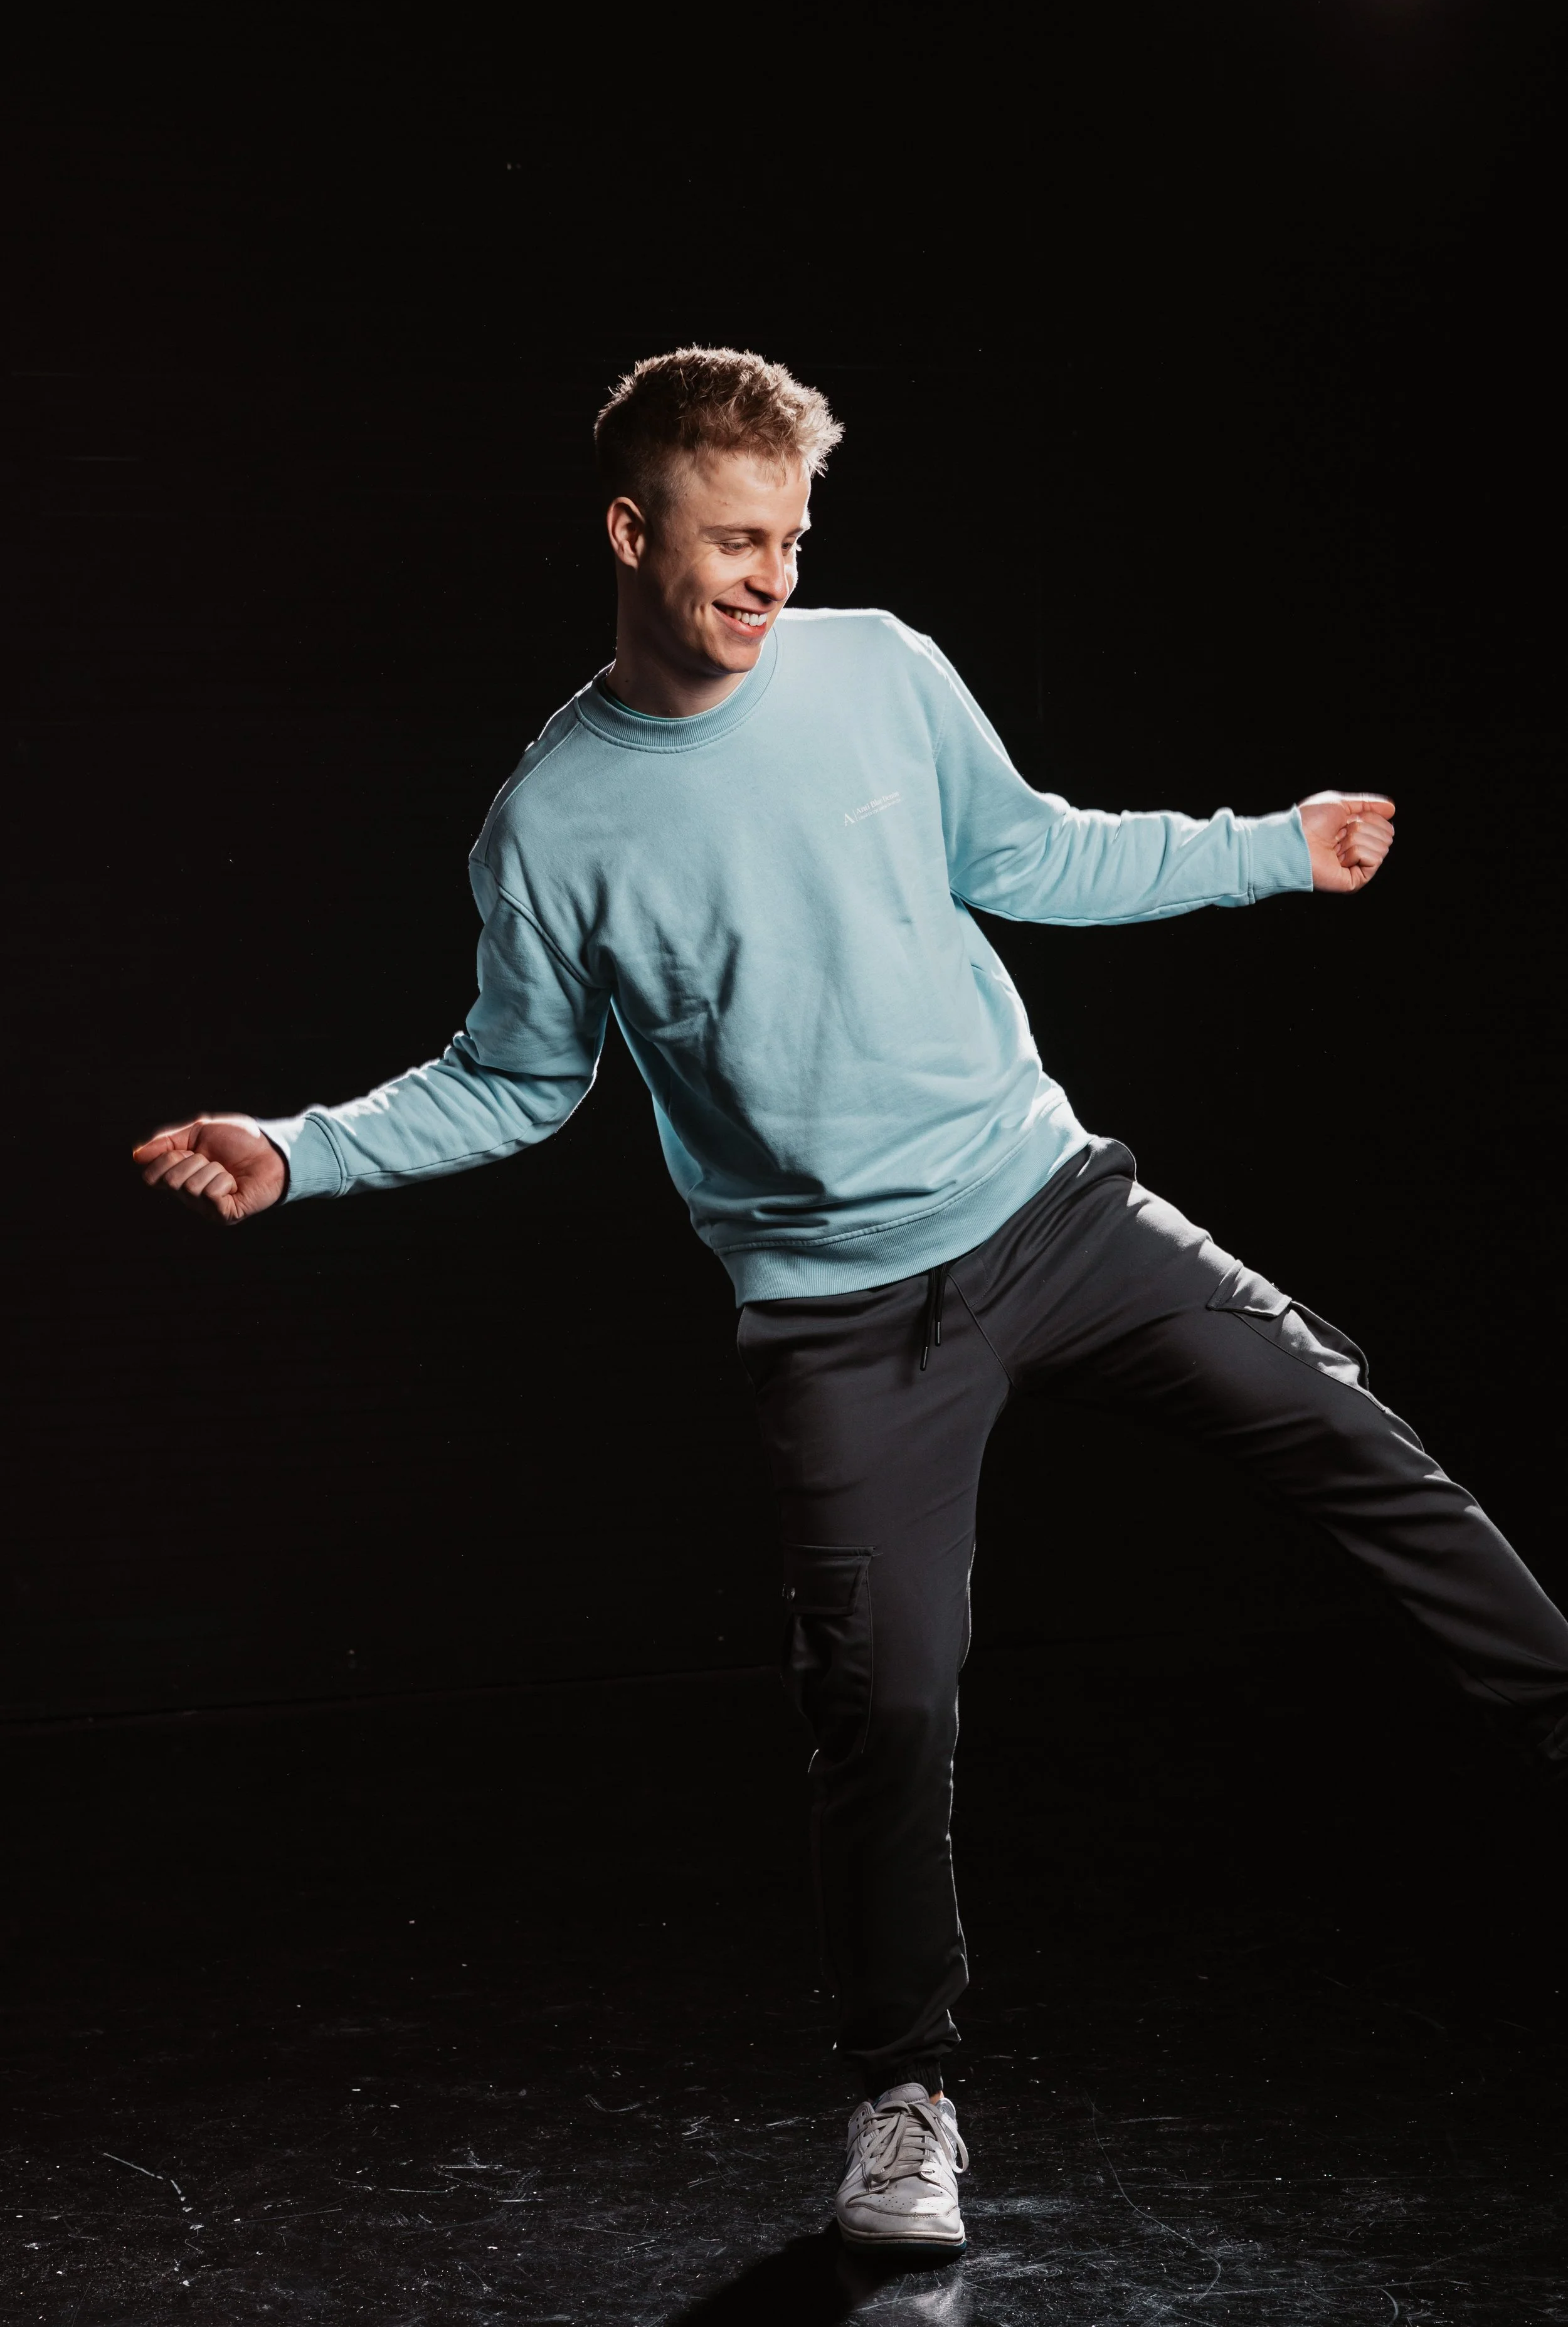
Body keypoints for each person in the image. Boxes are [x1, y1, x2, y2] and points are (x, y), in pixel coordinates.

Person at [134, 347, 1568, 2260]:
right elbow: (514, 1080)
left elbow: (1026, 850)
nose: (768, 580)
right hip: (834, 1322)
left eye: (792, 539)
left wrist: (1269, 852)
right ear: (632, 533)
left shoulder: (884, 666)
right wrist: (299, 1148)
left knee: (1349, 1430)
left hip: (1053, 1209)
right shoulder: (552, 821)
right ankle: (903, 2092)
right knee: (878, 1700)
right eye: (734, 541)